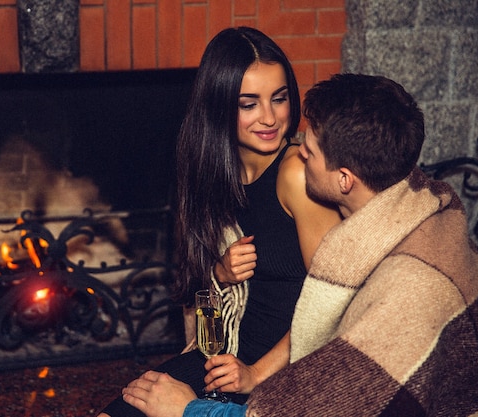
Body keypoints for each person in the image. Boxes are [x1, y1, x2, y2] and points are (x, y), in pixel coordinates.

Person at [120, 73, 478, 416]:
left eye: (310, 151)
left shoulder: (401, 291)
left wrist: (188, 410)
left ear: (344, 179)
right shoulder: (418, 212)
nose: (297, 151)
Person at [97, 27, 341, 417]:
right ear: (218, 107)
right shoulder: (209, 177)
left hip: (281, 372)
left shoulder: (296, 173)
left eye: (279, 99)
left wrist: (256, 374)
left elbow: (331, 301)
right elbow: (205, 316)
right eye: (249, 104)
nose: (270, 117)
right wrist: (219, 276)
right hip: (221, 360)